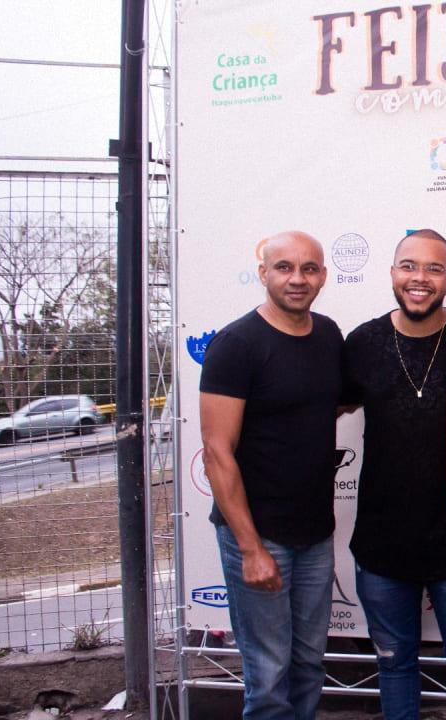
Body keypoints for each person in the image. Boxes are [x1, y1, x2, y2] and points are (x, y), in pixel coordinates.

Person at [341, 230, 446, 720]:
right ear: (392, 273)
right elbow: (316, 408)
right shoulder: (362, 343)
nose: (419, 278)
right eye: (408, 266)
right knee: (393, 662)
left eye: (433, 268)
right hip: (381, 542)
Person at [199, 230, 343, 720]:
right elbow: (217, 452)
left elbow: (327, 403)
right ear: (263, 273)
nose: (297, 279)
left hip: (315, 534)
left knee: (308, 663)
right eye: (284, 267)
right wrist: (250, 548)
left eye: (309, 268)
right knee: (267, 673)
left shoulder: (328, 335)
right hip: (259, 535)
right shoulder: (236, 345)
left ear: (322, 276)